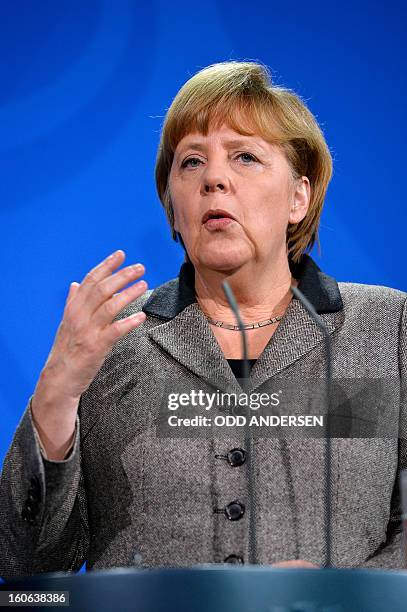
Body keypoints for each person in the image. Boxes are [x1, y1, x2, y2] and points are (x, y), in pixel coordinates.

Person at [1, 61, 406, 580]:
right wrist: (56, 393)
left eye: (245, 157)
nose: (215, 178)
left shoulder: (391, 327)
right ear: (173, 207)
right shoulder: (112, 340)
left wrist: (348, 591)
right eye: (191, 163)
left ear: (299, 197)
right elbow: (25, 566)